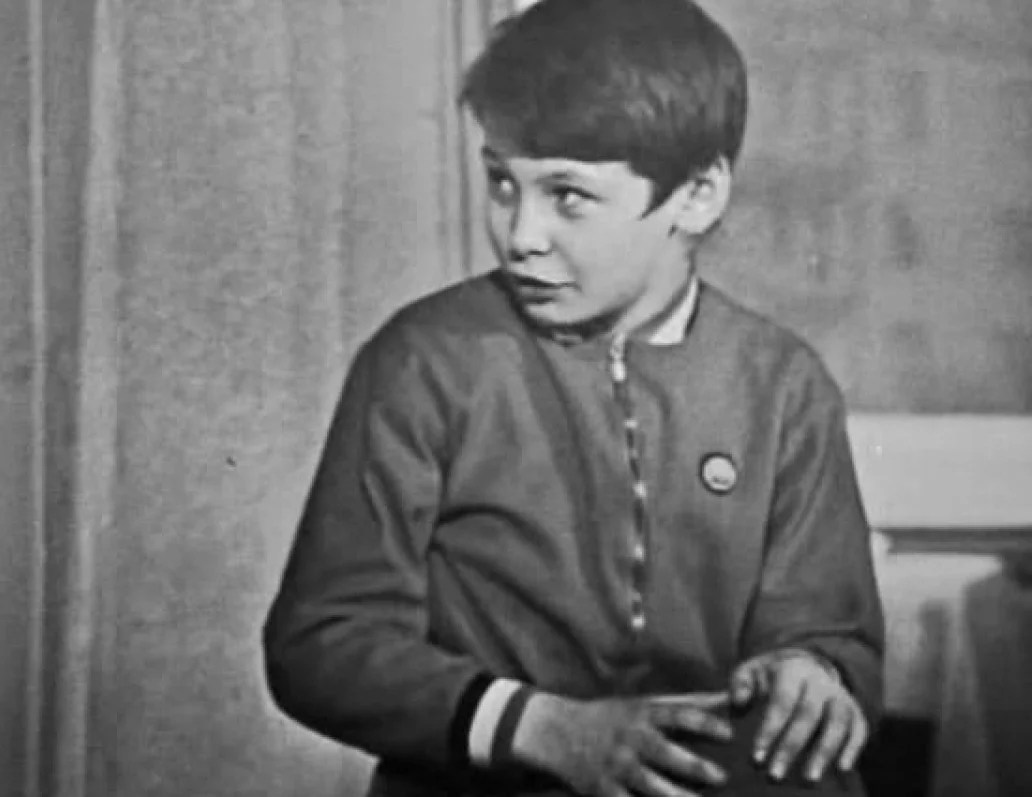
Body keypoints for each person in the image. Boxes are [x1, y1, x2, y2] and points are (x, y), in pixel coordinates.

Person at [262, 1, 885, 795]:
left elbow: (834, 632)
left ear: (697, 195)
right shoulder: (424, 361)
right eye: (502, 182)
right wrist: (540, 727)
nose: (520, 234)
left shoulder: (784, 384)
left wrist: (811, 670)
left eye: (568, 196)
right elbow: (321, 641)